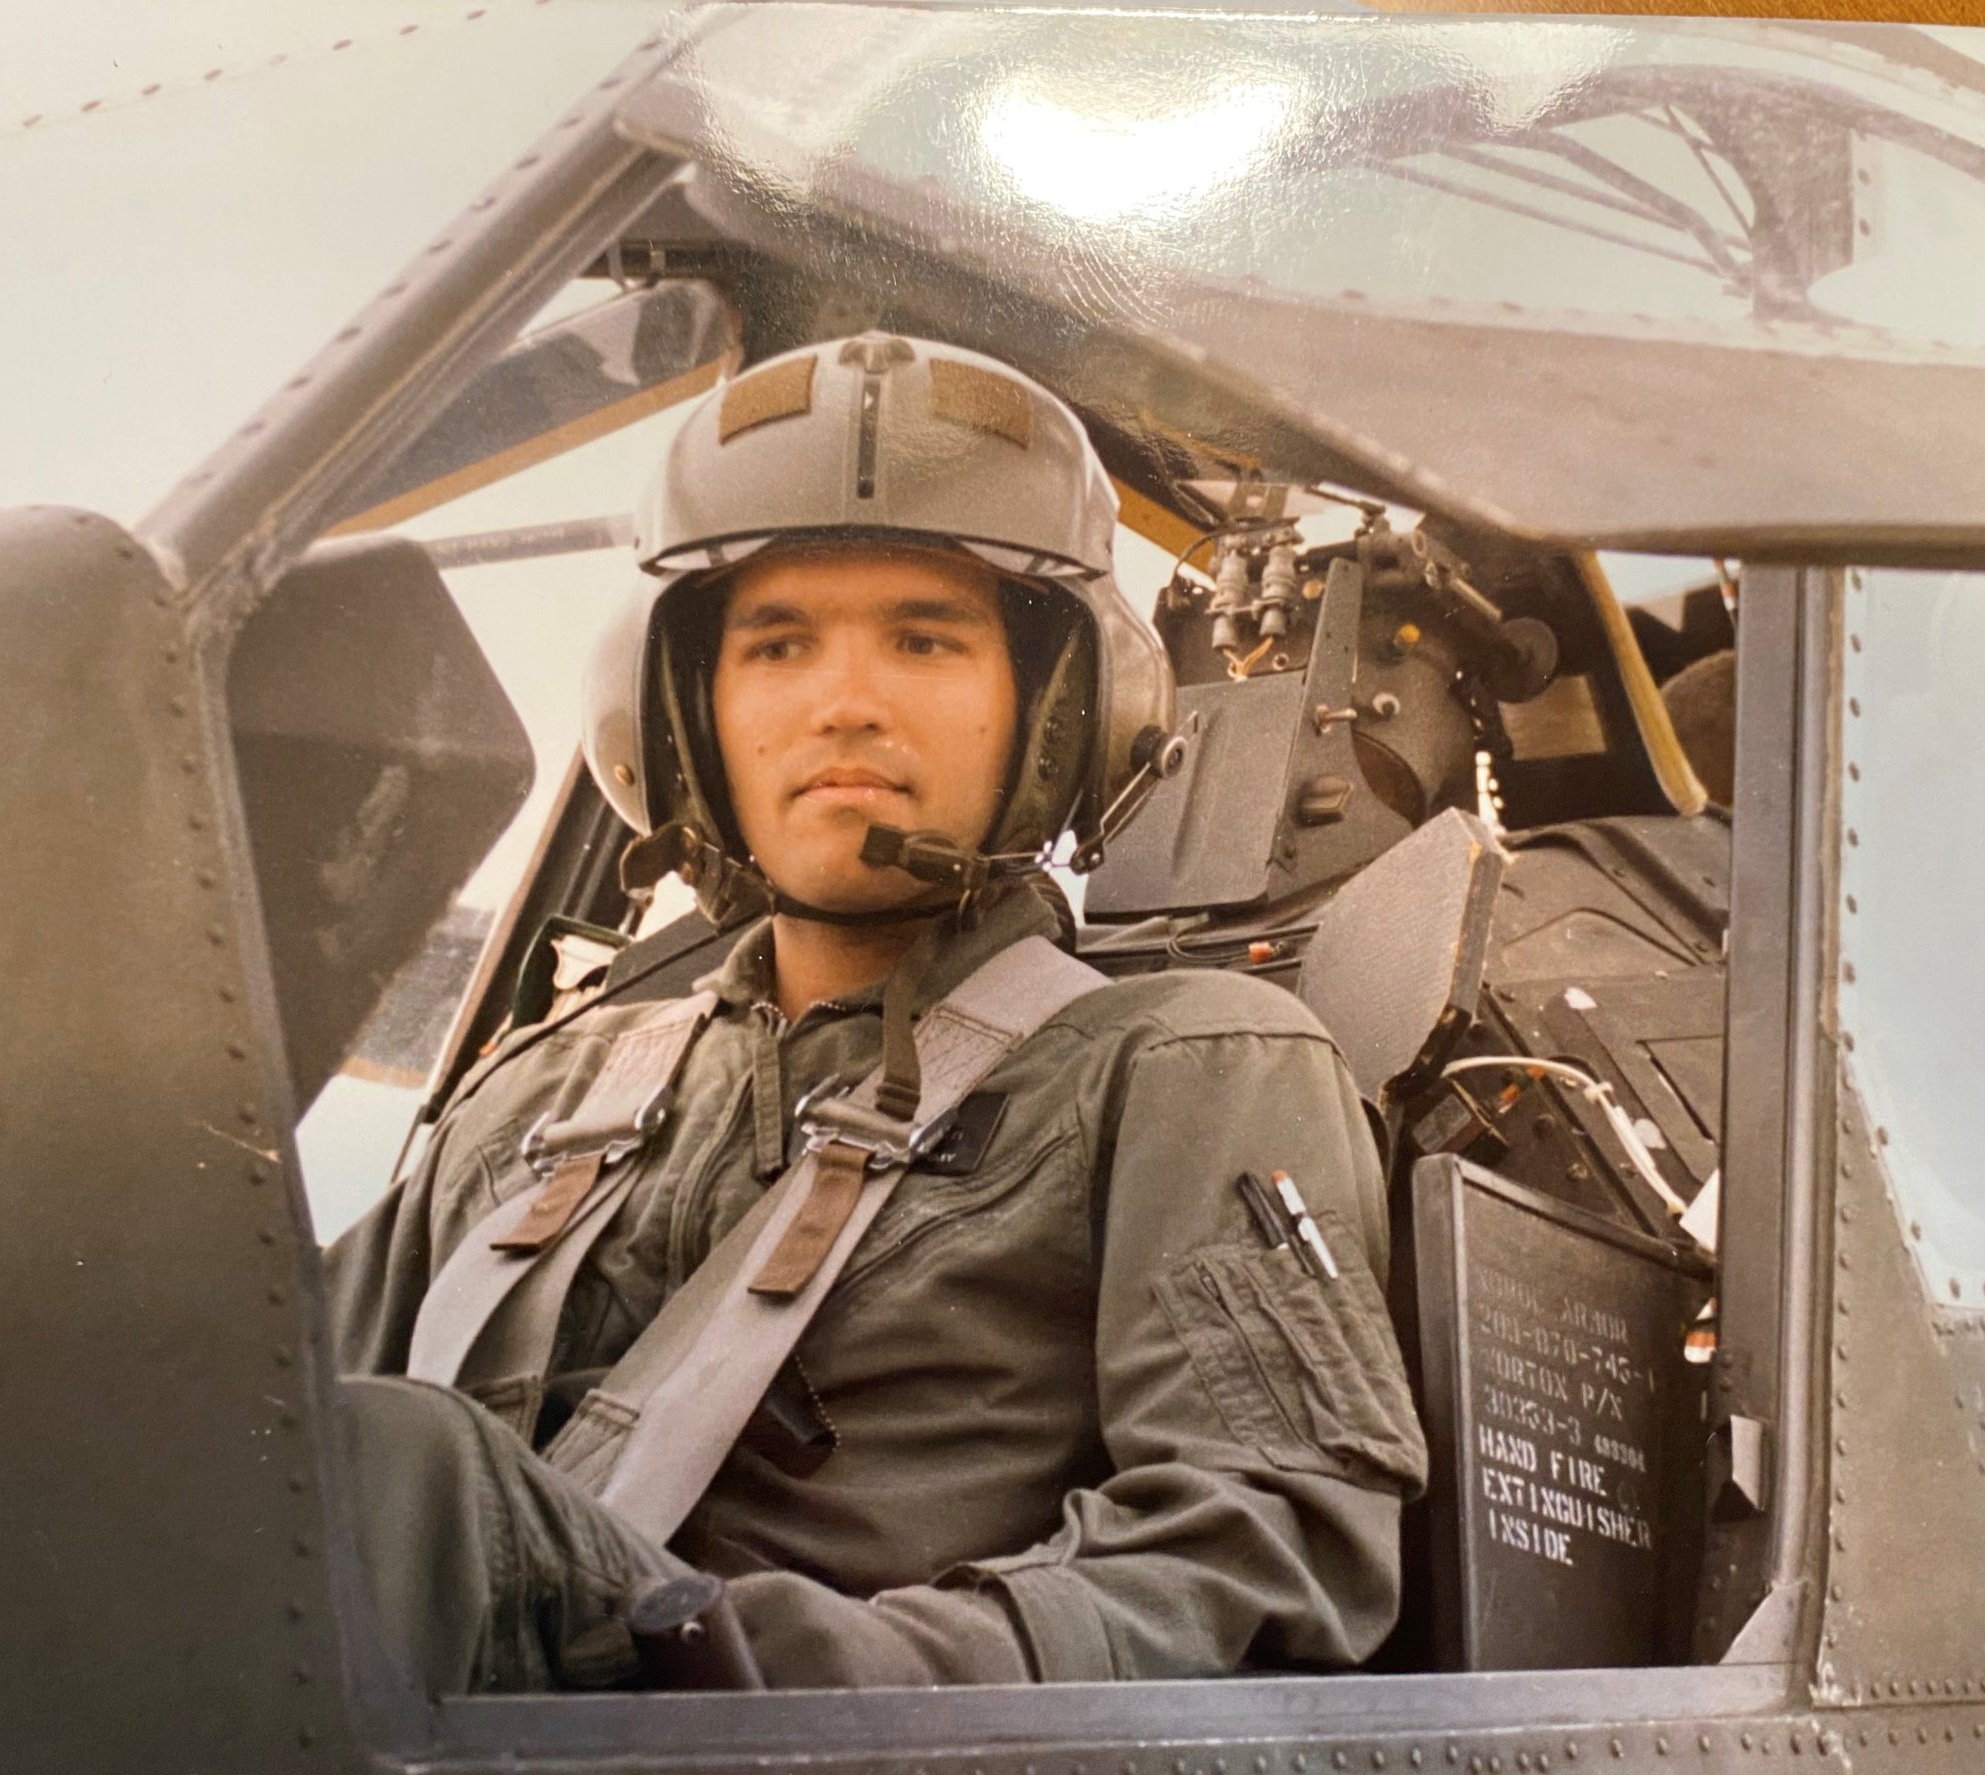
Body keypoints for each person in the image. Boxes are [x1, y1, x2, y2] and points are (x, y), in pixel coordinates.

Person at [328, 332, 1427, 1692]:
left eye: (925, 639)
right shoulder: (532, 1099)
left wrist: (773, 1677)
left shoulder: (1179, 1068)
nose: (845, 704)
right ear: (681, 710)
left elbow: (1264, 1552)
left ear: (1061, 709)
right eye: (778, 644)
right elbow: (255, 1455)